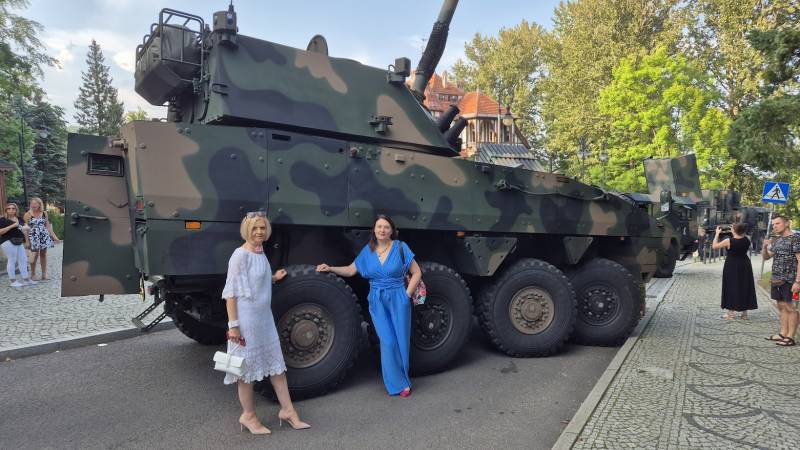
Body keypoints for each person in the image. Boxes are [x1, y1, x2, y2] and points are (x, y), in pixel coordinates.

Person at [222, 212, 310, 434]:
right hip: (247, 322)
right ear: (247, 230)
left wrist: (273, 278)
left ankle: (288, 411)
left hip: (264, 320)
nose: (259, 232)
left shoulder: (260, 251)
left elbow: (254, 281)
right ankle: (248, 416)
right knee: (246, 372)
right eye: (255, 228)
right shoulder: (239, 255)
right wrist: (233, 326)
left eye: (262, 228)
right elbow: (231, 293)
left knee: (276, 367)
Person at [316, 215, 422, 397]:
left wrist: (406, 295)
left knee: (401, 340)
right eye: (379, 226)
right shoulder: (368, 250)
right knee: (387, 341)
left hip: (398, 297)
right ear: (374, 230)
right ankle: (396, 383)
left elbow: (417, 272)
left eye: (386, 227)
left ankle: (404, 379)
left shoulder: (400, 247)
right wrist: (331, 268)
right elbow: (351, 270)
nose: (382, 230)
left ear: (392, 230)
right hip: (377, 300)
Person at [761, 215, 800, 347]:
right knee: (781, 306)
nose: (775, 226)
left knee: (791, 308)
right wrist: (765, 247)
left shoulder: (795, 238)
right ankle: (783, 333)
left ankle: (790, 337)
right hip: (776, 279)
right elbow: (766, 257)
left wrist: (798, 282)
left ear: (787, 223)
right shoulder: (777, 240)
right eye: (773, 224)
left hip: (790, 280)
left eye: (777, 223)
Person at [711, 223, 757, 320]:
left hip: (732, 265)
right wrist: (735, 230)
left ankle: (730, 314)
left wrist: (717, 234)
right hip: (745, 264)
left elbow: (714, 246)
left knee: (731, 287)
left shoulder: (729, 241)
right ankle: (744, 314)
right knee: (745, 286)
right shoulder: (747, 240)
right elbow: (739, 238)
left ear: (734, 230)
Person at [0, 203, 37, 287]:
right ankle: (13, 281)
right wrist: (13, 225)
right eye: (9, 208)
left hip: (19, 241)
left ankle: (26, 280)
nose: (11, 210)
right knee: (12, 259)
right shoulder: (2, 219)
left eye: (13, 208)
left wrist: (26, 240)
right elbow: (1, 231)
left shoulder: (19, 218)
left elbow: (26, 228)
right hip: (7, 241)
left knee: (23, 260)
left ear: (16, 210)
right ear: (6, 210)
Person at [23, 198, 60, 280]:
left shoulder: (44, 213)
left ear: (40, 204)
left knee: (43, 254)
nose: (34, 205)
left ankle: (44, 274)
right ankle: (33, 274)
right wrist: (27, 241)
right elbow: (25, 229)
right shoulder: (27, 214)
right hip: (33, 236)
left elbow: (47, 226)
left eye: (36, 203)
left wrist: (54, 237)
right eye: (32, 203)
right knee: (34, 255)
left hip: (43, 235)